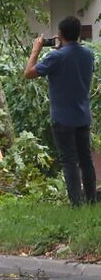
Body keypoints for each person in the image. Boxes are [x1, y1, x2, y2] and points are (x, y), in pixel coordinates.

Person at [24, 16, 97, 206]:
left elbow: (29, 73)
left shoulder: (55, 57)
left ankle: (76, 204)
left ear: (60, 34)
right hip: (83, 116)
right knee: (86, 160)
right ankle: (91, 200)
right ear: (79, 33)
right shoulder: (88, 54)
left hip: (63, 119)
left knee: (69, 161)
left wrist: (35, 50)